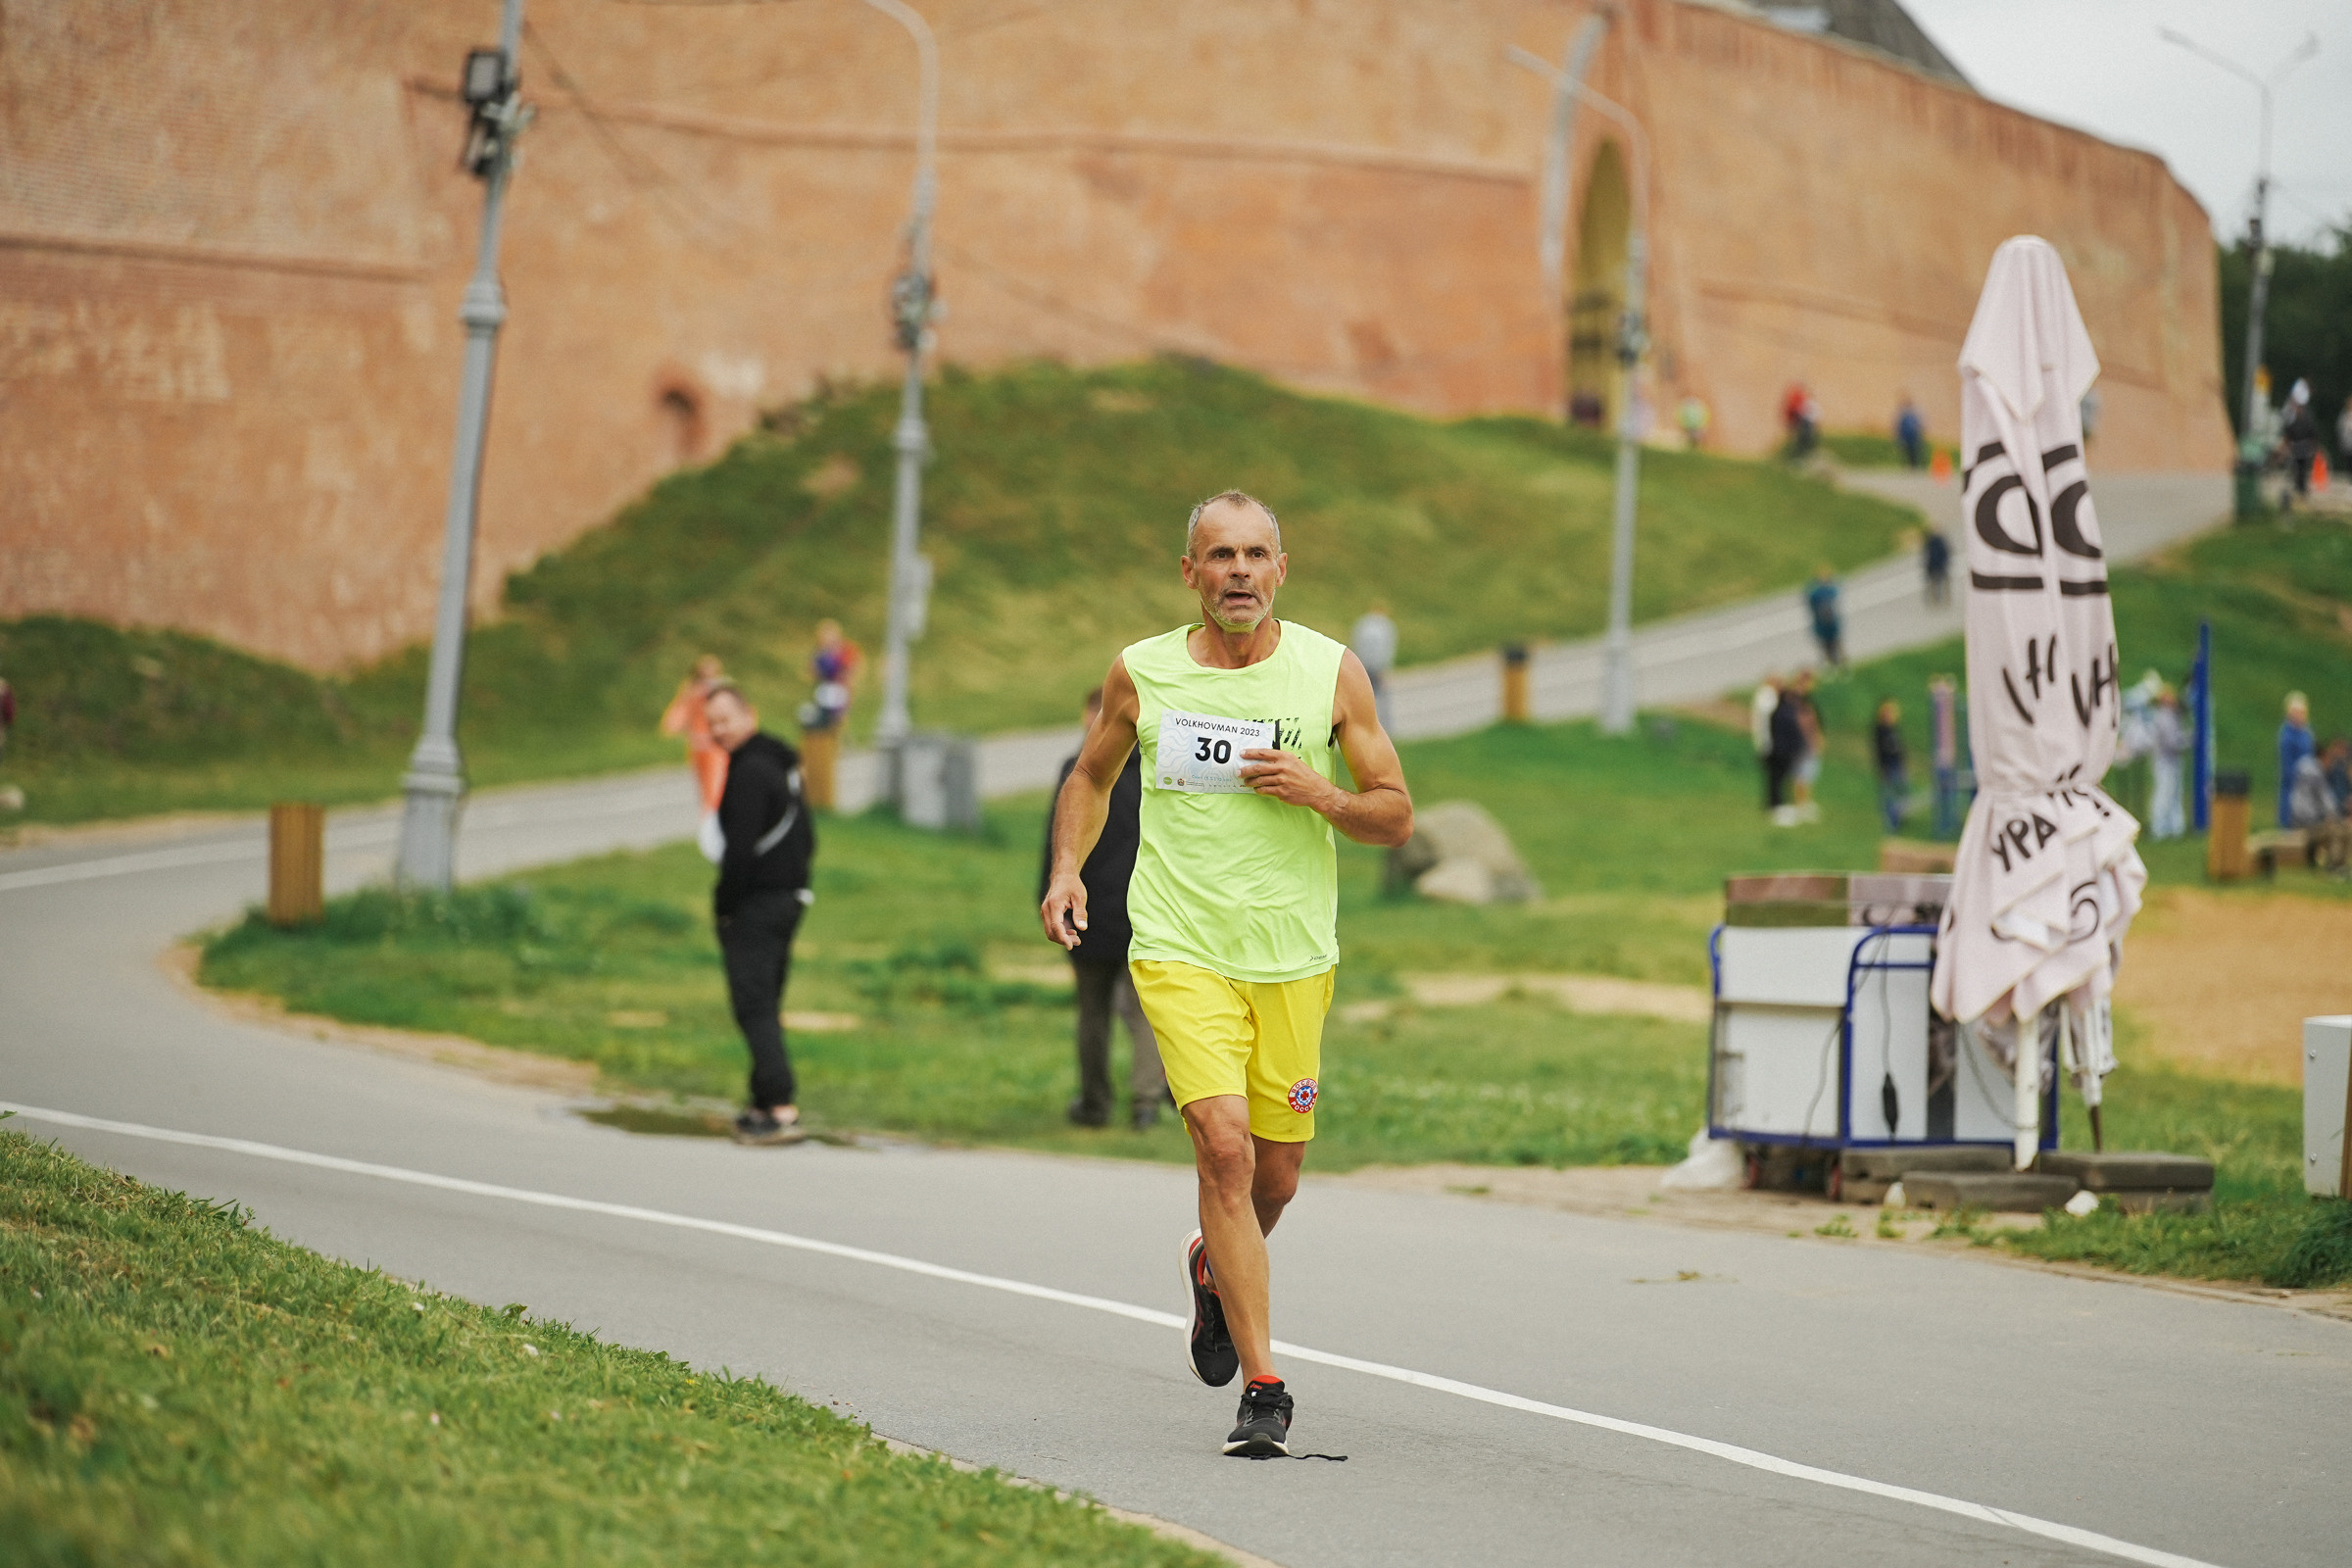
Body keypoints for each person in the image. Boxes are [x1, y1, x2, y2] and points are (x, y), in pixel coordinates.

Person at [1040, 490, 1411, 1459]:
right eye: (1220, 556)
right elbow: (1090, 776)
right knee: (1225, 1150)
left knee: (1276, 1177)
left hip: (1292, 957)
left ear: (1280, 569)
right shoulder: (1144, 670)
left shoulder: (1331, 672)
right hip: (1178, 946)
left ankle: (1213, 1267)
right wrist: (1068, 870)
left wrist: (1322, 791)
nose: (1238, 571)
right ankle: (1266, 1388)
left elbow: (1396, 811)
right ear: (1190, 573)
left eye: (1255, 555)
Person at [1041, 687, 1167, 1130]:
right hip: (1143, 912)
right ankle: (1146, 1103)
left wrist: (1049, 896)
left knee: (1093, 1012)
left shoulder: (1077, 772)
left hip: (1085, 912)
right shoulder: (1154, 770)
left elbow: (1056, 846)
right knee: (1147, 1012)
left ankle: (1095, 1102)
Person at [705, 683, 817, 1147]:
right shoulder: (781, 764)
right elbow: (808, 837)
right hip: (790, 897)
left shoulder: (749, 770)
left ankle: (778, 1107)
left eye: (725, 719)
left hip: (758, 904)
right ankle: (759, 1100)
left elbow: (739, 853)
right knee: (765, 1002)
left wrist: (725, 905)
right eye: (711, 723)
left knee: (753, 1004)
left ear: (748, 714)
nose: (718, 730)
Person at [799, 620, 862, 810]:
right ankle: (823, 755)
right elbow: (811, 671)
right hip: (824, 691)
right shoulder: (819, 653)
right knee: (821, 722)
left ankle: (838, 749)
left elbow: (852, 669)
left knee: (837, 721)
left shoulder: (844, 651)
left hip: (838, 691)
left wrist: (847, 684)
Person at [661, 655, 731, 815]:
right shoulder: (691, 691)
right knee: (705, 787)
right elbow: (680, 711)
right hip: (698, 746)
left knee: (717, 785)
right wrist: (672, 726)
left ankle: (716, 815)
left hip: (716, 746)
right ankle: (709, 817)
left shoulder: (722, 690)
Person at [2285, 737, 2349, 873]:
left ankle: (2341, 866)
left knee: (2343, 828)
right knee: (2336, 831)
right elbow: (2323, 801)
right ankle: (2334, 867)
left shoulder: (2308, 770)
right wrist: (2330, 817)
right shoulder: (2314, 774)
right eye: (2330, 761)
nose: (2331, 765)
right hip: (2305, 824)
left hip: (2305, 821)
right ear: (2324, 758)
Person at [1766, 670, 1809, 826]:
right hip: (1783, 751)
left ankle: (1779, 805)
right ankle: (1778, 807)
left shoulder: (1778, 712)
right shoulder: (1786, 713)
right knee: (1779, 780)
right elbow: (1793, 733)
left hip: (1779, 749)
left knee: (1779, 780)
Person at [1349, 601, 1398, 736]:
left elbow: (1356, 643)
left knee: (1364, 696)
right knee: (1381, 698)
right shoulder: (1385, 627)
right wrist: (1384, 667)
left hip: (1363, 665)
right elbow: (1386, 649)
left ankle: (1362, 726)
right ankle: (1385, 728)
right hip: (1377, 667)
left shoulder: (1362, 625)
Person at [2149, 685, 2188, 841]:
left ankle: (2174, 827)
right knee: (2164, 794)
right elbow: (2172, 742)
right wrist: (2188, 741)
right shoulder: (2163, 717)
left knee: (2173, 794)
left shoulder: (2171, 716)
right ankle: (2159, 828)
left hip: (2171, 761)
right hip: (2165, 761)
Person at [1928, 675, 1961, 837]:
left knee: (1948, 794)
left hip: (1947, 757)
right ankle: (1945, 825)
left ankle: (1949, 823)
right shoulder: (1940, 708)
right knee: (1944, 793)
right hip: (1944, 758)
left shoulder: (1945, 710)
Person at [2279, 692, 2316, 828]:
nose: (2299, 715)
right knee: (2290, 810)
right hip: (2293, 780)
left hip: (2308, 779)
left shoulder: (2307, 732)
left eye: (2301, 712)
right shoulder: (2287, 735)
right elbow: (2287, 762)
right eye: (2296, 712)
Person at [1873, 699, 1908, 834]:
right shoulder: (1880, 730)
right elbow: (1879, 751)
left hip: (1897, 765)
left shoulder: (1894, 729)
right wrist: (1883, 768)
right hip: (1888, 767)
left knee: (1901, 793)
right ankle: (1891, 824)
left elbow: (1900, 749)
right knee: (1888, 796)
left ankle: (1899, 819)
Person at [2282, 381, 2319, 506]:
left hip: (2304, 446)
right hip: (2296, 446)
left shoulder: (2307, 422)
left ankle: (2302, 487)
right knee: (2296, 468)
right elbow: (2288, 435)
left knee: (2303, 468)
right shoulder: (2293, 423)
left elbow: (2312, 435)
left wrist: (2313, 447)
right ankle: (2298, 486)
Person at [1750, 675, 1782, 811]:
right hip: (1769, 741)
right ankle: (1774, 805)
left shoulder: (1765, 695)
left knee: (1776, 775)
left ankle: (1776, 803)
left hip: (1768, 741)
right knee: (1774, 776)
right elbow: (1772, 714)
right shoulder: (1766, 695)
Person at [1805, 566, 1842, 667]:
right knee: (1825, 645)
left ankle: (1840, 664)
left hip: (1831, 622)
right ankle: (1830, 664)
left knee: (1836, 643)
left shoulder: (1830, 590)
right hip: (1821, 623)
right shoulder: (1816, 593)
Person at [1921, 529, 1950, 606]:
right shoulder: (1939, 542)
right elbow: (1946, 553)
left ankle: (1936, 601)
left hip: (1934, 566)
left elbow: (1927, 556)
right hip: (1939, 565)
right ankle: (1945, 600)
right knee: (1942, 584)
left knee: (1934, 585)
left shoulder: (1930, 543)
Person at [1894, 396, 1925, 469]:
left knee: (1914, 451)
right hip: (1906, 437)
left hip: (1913, 437)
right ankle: (1909, 465)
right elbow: (1899, 426)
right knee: (1906, 451)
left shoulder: (1914, 414)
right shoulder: (1903, 415)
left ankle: (1915, 465)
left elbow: (1919, 425)